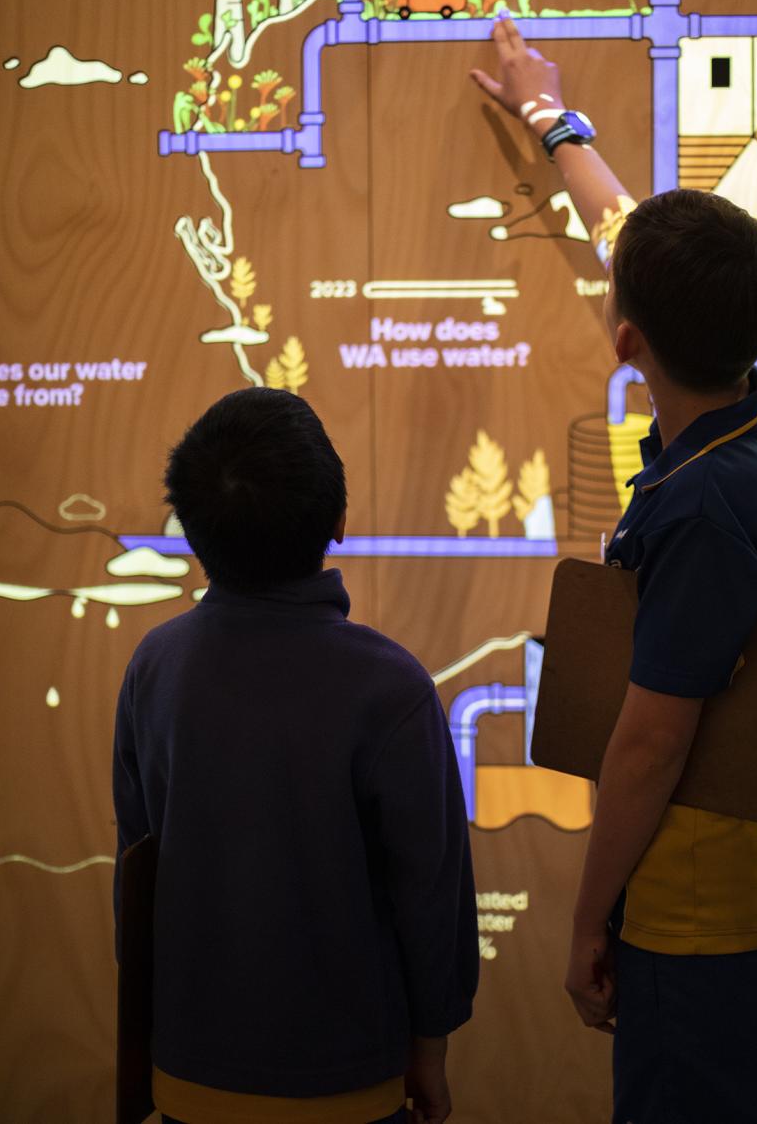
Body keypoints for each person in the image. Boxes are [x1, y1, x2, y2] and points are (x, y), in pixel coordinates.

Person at [470, 18, 757, 1124]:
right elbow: (619, 223)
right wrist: (548, 116)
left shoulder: (700, 505)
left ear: (627, 343)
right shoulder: (752, 401)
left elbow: (648, 742)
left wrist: (586, 926)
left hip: (698, 899)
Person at [112, 388, 478, 1124]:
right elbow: (432, 895)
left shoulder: (156, 666)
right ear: (339, 518)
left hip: (185, 1076)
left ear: (192, 528)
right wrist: (430, 1051)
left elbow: (138, 871)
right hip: (350, 1088)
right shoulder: (391, 686)